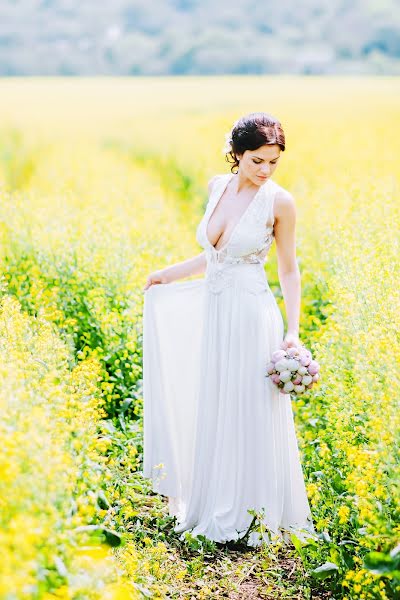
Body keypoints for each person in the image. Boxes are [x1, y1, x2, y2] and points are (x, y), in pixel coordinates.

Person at [141, 112, 315, 546]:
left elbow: (289, 270)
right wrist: (169, 273)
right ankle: (214, 501)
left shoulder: (280, 202)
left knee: (249, 405)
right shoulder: (216, 187)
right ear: (236, 155)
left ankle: (252, 512)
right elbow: (215, 255)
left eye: (273, 162)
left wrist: (293, 331)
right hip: (218, 310)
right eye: (257, 161)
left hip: (252, 313)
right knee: (217, 400)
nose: (265, 170)